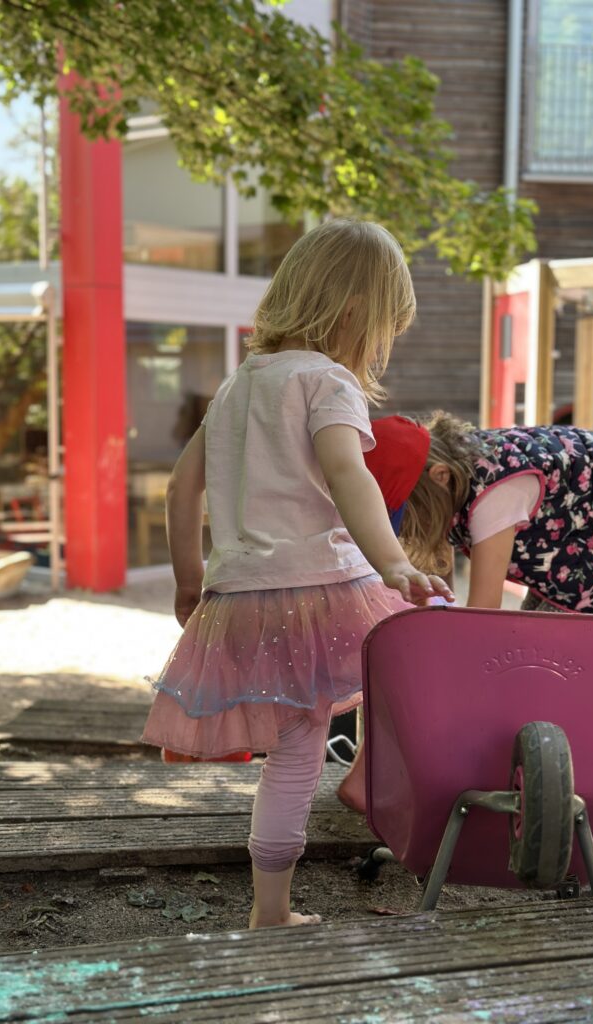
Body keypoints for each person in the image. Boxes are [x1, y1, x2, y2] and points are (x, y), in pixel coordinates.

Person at [141, 220, 454, 929]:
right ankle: (414, 793)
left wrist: (190, 583)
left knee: (290, 755)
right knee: (416, 651)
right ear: (353, 313)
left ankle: (270, 909)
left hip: (241, 597)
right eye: (384, 330)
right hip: (323, 588)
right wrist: (396, 563)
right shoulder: (326, 381)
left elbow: (178, 490)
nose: (381, 347)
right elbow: (350, 477)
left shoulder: (234, 388)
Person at [335, 409, 593, 813]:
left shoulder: (494, 493)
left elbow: (484, 618)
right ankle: (380, 778)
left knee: (564, 661)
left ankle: (580, 778)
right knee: (527, 647)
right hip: (577, 531)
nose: (407, 529)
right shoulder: (456, 474)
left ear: (440, 477)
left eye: (410, 515)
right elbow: (440, 594)